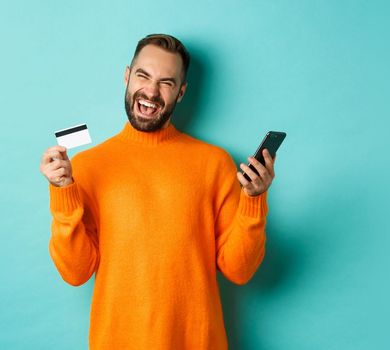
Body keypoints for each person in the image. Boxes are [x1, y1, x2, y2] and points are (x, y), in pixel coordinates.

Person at [38, 34, 276, 349]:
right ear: (126, 76)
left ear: (181, 92)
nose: (151, 91)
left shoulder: (214, 163)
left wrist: (254, 200)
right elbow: (76, 272)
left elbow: (239, 270)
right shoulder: (86, 166)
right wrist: (62, 191)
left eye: (166, 82)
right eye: (143, 75)